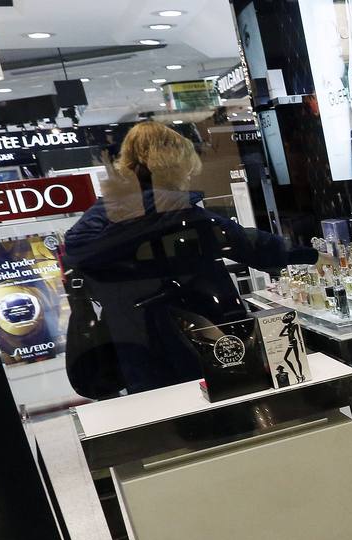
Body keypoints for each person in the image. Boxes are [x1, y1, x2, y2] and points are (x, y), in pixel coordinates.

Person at [64, 120, 314, 394]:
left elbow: (80, 255)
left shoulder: (101, 217)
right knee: (224, 403)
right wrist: (310, 254)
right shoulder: (180, 214)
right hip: (197, 333)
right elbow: (246, 242)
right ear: (174, 164)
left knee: (159, 411)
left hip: (131, 339)